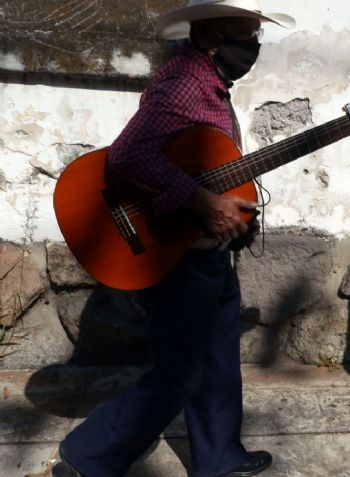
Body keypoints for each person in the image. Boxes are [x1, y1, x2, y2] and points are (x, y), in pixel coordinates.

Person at [57, 1, 295, 476]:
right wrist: (204, 203)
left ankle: (218, 456)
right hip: (173, 251)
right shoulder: (185, 82)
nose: (253, 48)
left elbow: (199, 161)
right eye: (244, 36)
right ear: (210, 37)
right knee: (181, 372)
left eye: (256, 37)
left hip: (205, 248)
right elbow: (128, 157)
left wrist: (228, 209)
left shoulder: (209, 82)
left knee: (219, 357)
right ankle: (87, 458)